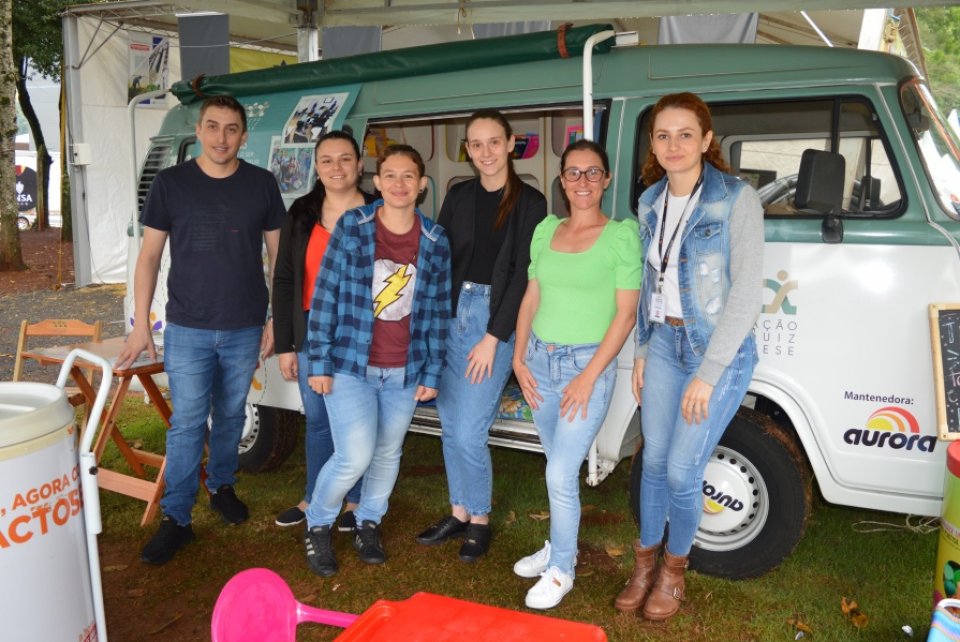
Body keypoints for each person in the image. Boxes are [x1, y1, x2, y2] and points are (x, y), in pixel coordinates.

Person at [615, 92, 763, 621]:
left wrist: (709, 372)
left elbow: (747, 291)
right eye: (662, 135)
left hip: (715, 354)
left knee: (681, 471)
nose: (673, 145)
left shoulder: (735, 199)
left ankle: (673, 572)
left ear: (705, 140)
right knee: (652, 462)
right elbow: (649, 282)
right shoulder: (651, 200)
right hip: (662, 346)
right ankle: (643, 564)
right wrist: (640, 349)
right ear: (652, 144)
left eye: (684, 134)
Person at [118, 95, 284, 565]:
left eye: (232, 129)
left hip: (245, 324)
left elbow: (278, 259)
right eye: (213, 127)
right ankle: (177, 518)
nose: (221, 138)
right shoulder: (171, 183)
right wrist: (140, 327)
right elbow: (149, 256)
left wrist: (276, 318)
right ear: (198, 129)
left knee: (232, 414)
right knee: (189, 421)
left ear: (244, 136)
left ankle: (223, 485)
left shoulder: (262, 184)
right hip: (188, 326)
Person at [302, 144, 451, 577]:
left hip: (405, 369)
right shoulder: (353, 226)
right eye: (390, 175)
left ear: (422, 184)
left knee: (388, 452)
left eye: (409, 176)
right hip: (350, 364)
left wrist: (432, 370)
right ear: (377, 181)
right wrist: (320, 363)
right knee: (355, 455)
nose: (399, 184)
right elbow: (325, 295)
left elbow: (439, 311)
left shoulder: (436, 241)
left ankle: (368, 521)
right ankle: (319, 523)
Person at [511, 140, 641, 609]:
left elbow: (625, 315)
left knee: (561, 472)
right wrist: (519, 357)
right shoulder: (546, 230)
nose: (582, 182)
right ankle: (556, 545)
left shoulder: (622, 236)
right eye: (573, 173)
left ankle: (562, 569)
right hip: (540, 363)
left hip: (586, 367)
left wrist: (589, 376)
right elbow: (532, 295)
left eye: (592, 173)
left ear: (606, 179)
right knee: (554, 466)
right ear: (561, 180)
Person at [415, 109, 546, 562]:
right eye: (476, 144)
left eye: (494, 142)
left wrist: (493, 337)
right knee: (450, 425)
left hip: (493, 318)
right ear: (467, 150)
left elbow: (524, 276)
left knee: (469, 430)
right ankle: (458, 511)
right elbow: (440, 260)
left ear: (511, 144)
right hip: (452, 314)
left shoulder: (532, 203)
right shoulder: (459, 196)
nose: (486, 152)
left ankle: (481, 519)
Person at [272, 131, 376, 530]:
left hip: (362, 334)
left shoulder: (378, 211)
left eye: (345, 159)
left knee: (359, 421)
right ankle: (314, 496)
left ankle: (355, 501)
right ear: (317, 167)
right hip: (311, 333)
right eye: (328, 160)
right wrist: (285, 344)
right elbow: (283, 279)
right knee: (317, 419)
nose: (337, 167)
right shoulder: (301, 213)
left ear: (360, 165)